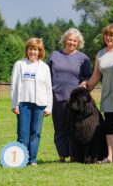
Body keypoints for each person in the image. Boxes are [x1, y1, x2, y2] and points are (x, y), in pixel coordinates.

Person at [80, 24, 113, 164]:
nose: (108, 37)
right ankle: (110, 157)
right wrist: (86, 88)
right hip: (107, 95)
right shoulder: (100, 54)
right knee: (109, 128)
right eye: (106, 35)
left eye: (112, 35)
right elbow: (96, 76)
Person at [47, 28, 92, 163]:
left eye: (75, 40)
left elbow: (89, 75)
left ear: (78, 43)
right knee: (60, 128)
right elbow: (46, 74)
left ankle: (74, 156)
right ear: (65, 40)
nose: (72, 42)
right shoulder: (54, 55)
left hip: (76, 101)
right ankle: (61, 156)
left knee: (74, 129)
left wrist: (85, 83)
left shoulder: (83, 58)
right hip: (57, 97)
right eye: (70, 39)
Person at [11, 38, 52, 166]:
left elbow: (48, 88)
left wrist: (48, 107)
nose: (32, 52)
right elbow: (14, 86)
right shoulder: (19, 64)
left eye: (35, 49)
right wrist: (14, 104)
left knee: (36, 132)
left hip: (40, 105)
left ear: (40, 51)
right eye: (30, 49)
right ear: (27, 50)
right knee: (23, 133)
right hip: (23, 104)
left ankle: (32, 159)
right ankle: (21, 159)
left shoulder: (44, 67)